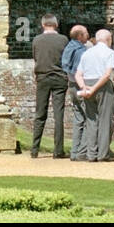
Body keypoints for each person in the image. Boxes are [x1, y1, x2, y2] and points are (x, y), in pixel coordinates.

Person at [74, 29, 114, 162]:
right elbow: (106, 75)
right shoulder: (110, 53)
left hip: (87, 83)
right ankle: (103, 154)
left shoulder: (87, 53)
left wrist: (84, 87)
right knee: (105, 120)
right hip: (102, 86)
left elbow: (78, 74)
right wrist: (94, 88)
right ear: (108, 39)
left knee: (91, 120)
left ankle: (91, 154)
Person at [30, 13, 69, 158]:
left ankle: (34, 149)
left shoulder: (37, 40)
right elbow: (65, 59)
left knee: (40, 113)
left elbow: (35, 57)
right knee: (58, 115)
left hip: (43, 77)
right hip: (59, 78)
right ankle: (58, 150)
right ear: (56, 24)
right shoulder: (63, 40)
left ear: (43, 24)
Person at [61, 24, 90, 161]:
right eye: (85, 33)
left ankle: (74, 151)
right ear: (80, 36)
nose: (88, 35)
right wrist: (84, 87)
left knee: (79, 119)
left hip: (71, 85)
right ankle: (82, 152)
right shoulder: (81, 51)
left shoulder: (69, 47)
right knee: (89, 119)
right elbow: (79, 71)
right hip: (79, 86)